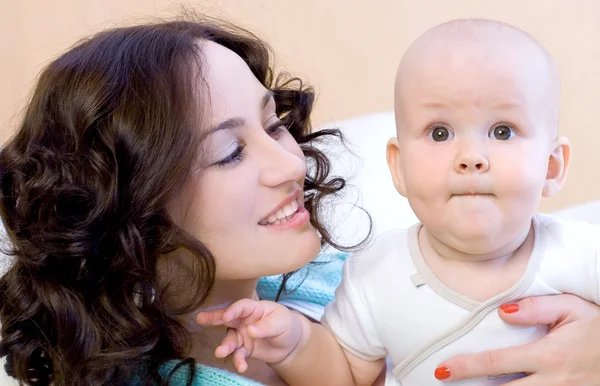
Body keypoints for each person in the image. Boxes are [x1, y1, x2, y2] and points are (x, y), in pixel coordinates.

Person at [196, 19, 600, 385]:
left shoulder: (581, 253)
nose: (472, 156)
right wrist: (296, 345)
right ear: (400, 166)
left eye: (503, 131)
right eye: (440, 133)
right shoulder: (374, 276)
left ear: (551, 166)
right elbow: (347, 376)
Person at [0, 17, 369, 386]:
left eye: (273, 125)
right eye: (229, 153)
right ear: (135, 210)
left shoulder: (346, 284)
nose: (291, 164)